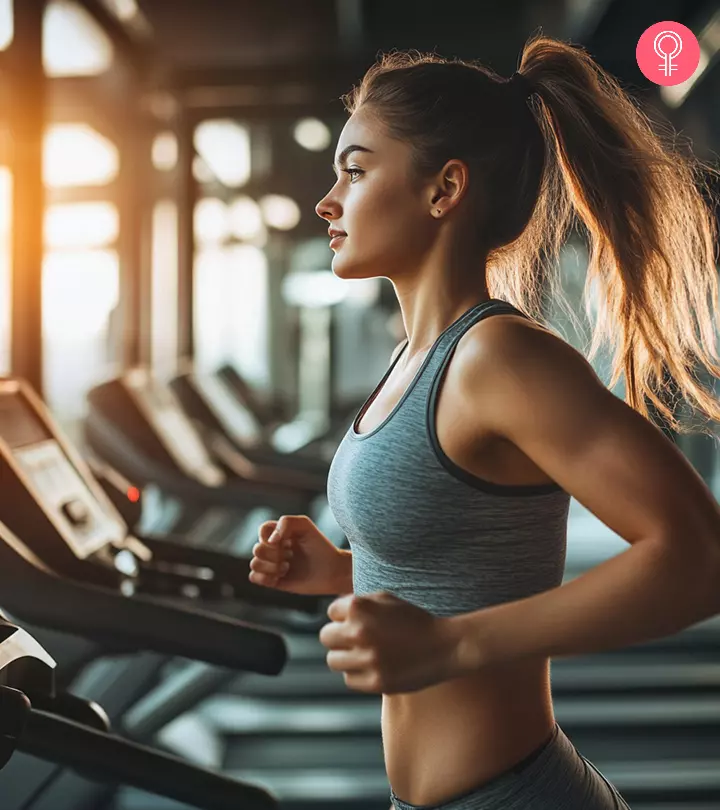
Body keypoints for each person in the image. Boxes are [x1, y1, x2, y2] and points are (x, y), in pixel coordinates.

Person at [249, 31, 720, 810]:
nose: (326, 201)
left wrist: (450, 646)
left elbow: (699, 558)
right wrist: (340, 571)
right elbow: (457, 565)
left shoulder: (498, 358)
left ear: (444, 189)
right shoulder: (415, 360)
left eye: (356, 171)